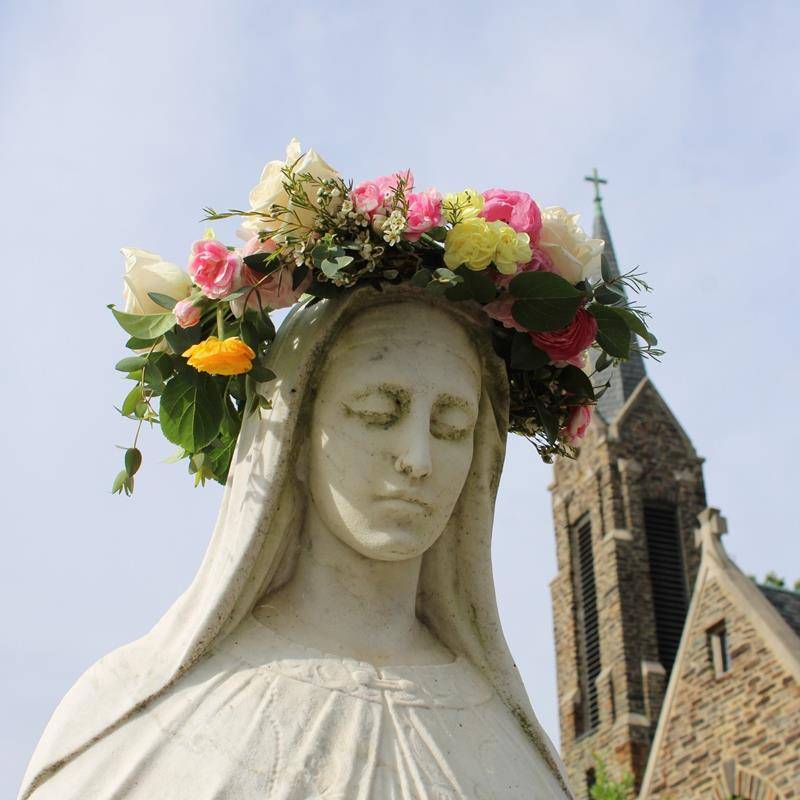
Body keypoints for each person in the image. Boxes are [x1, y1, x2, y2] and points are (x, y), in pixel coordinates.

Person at [19, 286, 573, 799]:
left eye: (452, 427)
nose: (418, 460)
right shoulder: (131, 714)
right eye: (378, 414)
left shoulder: (514, 747)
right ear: (295, 434)